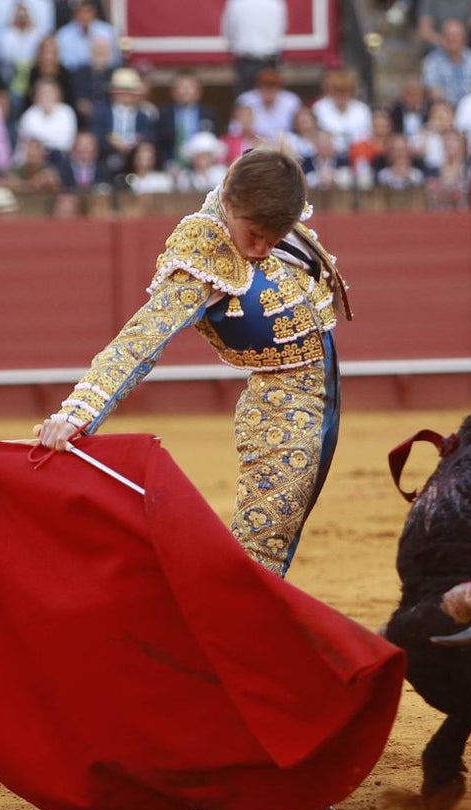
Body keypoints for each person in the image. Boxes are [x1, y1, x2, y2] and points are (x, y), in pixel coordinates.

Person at [33, 148, 351, 578]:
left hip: (320, 393)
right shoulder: (203, 256)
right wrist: (77, 414)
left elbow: (263, 165)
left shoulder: (263, 194)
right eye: (254, 234)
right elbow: (140, 341)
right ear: (230, 205)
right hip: (283, 403)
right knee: (261, 554)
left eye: (273, 238)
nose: (261, 249)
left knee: (273, 543)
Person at [221, 0, 286, 96]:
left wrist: (233, 46)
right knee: (270, 100)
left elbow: (228, 30)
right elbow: (282, 29)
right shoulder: (276, 2)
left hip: (247, 60)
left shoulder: (236, 3)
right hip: (269, 59)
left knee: (246, 100)